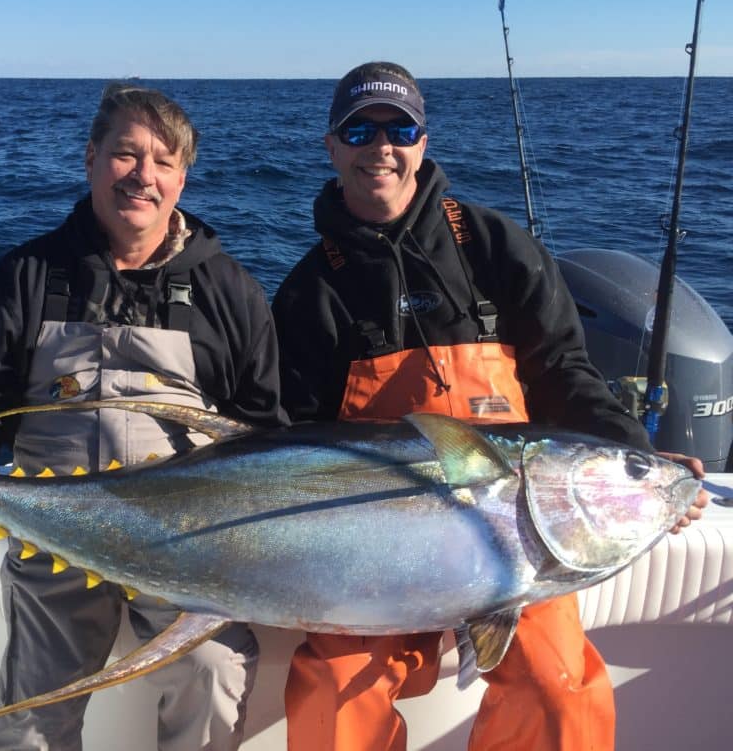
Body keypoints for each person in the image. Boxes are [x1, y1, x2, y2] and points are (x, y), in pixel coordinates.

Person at [271, 61, 709, 751]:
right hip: (379, 545)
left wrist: (642, 458)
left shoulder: (495, 247)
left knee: (559, 691)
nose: (380, 146)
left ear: (423, 141)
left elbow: (568, 371)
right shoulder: (307, 293)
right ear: (331, 144)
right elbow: (294, 443)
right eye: (359, 129)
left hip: (522, 541)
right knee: (337, 687)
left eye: (399, 128)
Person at [0, 83, 285, 751]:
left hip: (184, 547)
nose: (144, 176)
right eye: (125, 155)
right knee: (33, 716)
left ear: (183, 178)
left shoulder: (230, 291)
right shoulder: (29, 274)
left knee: (214, 667)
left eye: (163, 161)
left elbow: (261, 435)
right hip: (53, 542)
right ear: (90, 159)